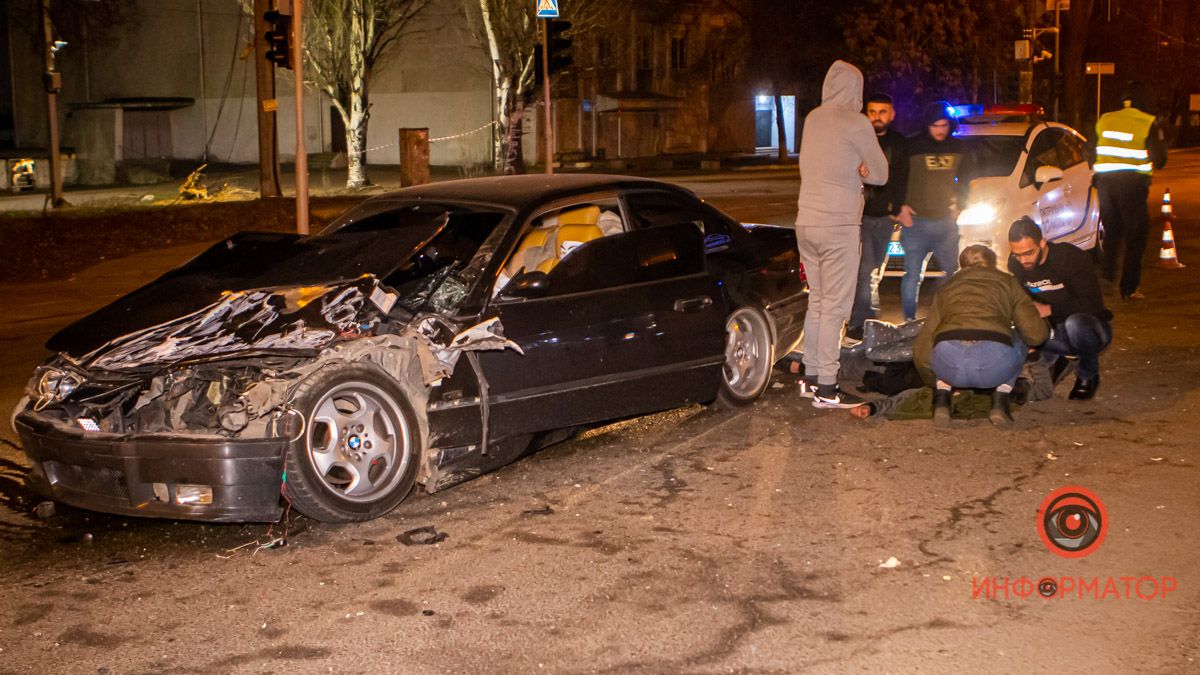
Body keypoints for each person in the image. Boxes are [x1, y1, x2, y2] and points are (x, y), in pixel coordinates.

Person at [794, 60, 888, 409]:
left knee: (817, 302)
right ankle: (829, 388)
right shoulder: (857, 122)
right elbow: (880, 174)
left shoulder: (813, 119)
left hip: (807, 222)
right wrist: (861, 169)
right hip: (838, 225)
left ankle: (812, 376)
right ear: (856, 90)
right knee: (835, 307)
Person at [912, 244, 1049, 427]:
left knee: (940, 341)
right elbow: (1036, 335)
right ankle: (1000, 400)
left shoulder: (946, 288)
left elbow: (922, 350)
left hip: (949, 367)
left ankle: (942, 398)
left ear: (962, 266)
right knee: (1021, 335)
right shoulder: (1008, 282)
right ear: (992, 264)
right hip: (993, 366)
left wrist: (934, 379)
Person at [1007, 217, 1113, 400]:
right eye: (1018, 254)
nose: (1023, 260)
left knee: (1075, 324)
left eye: (1029, 253)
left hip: (1090, 327)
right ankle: (1060, 360)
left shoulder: (1070, 258)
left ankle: (1087, 375)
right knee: (1012, 332)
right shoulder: (1016, 264)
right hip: (1052, 332)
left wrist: (1049, 309)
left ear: (1042, 242)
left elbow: (1092, 305)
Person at [1089, 81, 1168, 300]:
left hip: (1106, 185)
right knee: (1136, 236)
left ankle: (1106, 277)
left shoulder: (1104, 119)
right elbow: (1159, 159)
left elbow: (1090, 150)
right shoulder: (1147, 122)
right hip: (1132, 187)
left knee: (1112, 232)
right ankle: (1129, 288)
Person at [897, 101, 972, 321]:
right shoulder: (912, 146)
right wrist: (900, 206)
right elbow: (898, 177)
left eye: (943, 125)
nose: (940, 130)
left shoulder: (958, 148)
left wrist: (960, 205)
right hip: (916, 222)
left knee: (951, 272)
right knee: (912, 275)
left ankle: (946, 317)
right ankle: (908, 320)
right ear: (926, 125)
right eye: (935, 125)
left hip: (945, 223)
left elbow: (966, 179)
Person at [847, 93, 910, 341]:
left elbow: (902, 177)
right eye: (872, 112)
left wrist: (898, 206)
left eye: (882, 112)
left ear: (892, 114)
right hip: (860, 217)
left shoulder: (898, 142)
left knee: (876, 270)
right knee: (866, 271)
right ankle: (861, 322)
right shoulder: (856, 141)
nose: (877, 117)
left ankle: (866, 318)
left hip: (885, 218)